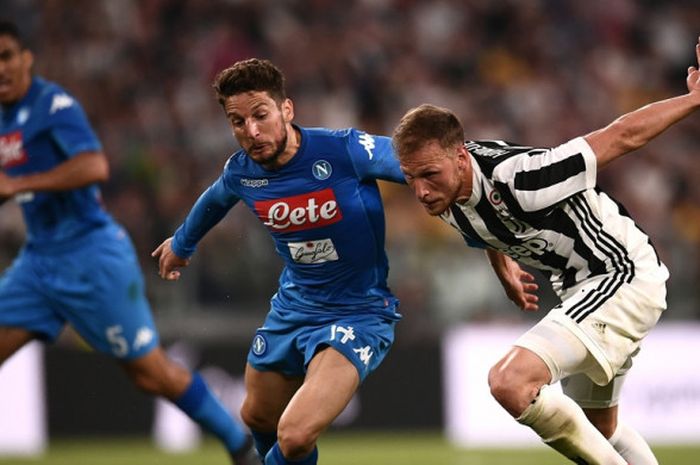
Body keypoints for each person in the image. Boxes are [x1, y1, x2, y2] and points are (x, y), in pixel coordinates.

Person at [392, 37, 700, 465]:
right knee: (600, 430)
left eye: (429, 174)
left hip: (621, 274)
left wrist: (693, 99)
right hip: (581, 287)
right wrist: (503, 267)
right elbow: (483, 224)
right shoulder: (446, 197)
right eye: (411, 178)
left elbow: (620, 137)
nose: (421, 191)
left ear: (461, 158)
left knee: (509, 382)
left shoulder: (521, 178)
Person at [0, 20, 257, 464]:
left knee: (151, 373)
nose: (0, 68)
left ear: (26, 58)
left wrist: (18, 183)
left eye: (6, 56)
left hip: (91, 258)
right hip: (38, 263)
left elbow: (94, 166)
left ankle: (238, 443)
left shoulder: (52, 106)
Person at [151, 57, 404, 465]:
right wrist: (182, 244)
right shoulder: (242, 172)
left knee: (296, 432)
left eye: (260, 115)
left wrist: (491, 244)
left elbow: (423, 167)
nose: (250, 131)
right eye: (237, 122)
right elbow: (215, 201)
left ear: (287, 109)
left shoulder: (345, 149)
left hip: (358, 311)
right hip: (294, 308)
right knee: (257, 415)